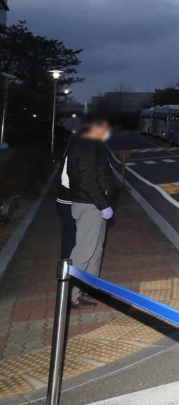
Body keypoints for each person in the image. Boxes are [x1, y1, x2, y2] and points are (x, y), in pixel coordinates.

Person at [67, 115, 118, 310]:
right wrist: (102, 204)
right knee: (85, 251)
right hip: (90, 205)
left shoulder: (89, 144)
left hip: (93, 205)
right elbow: (87, 180)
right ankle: (71, 294)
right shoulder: (86, 146)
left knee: (96, 250)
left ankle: (88, 288)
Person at [55, 134, 77, 260]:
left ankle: (64, 263)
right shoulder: (73, 156)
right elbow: (67, 181)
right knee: (71, 235)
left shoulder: (67, 155)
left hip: (63, 200)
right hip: (69, 201)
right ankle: (67, 265)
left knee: (67, 232)